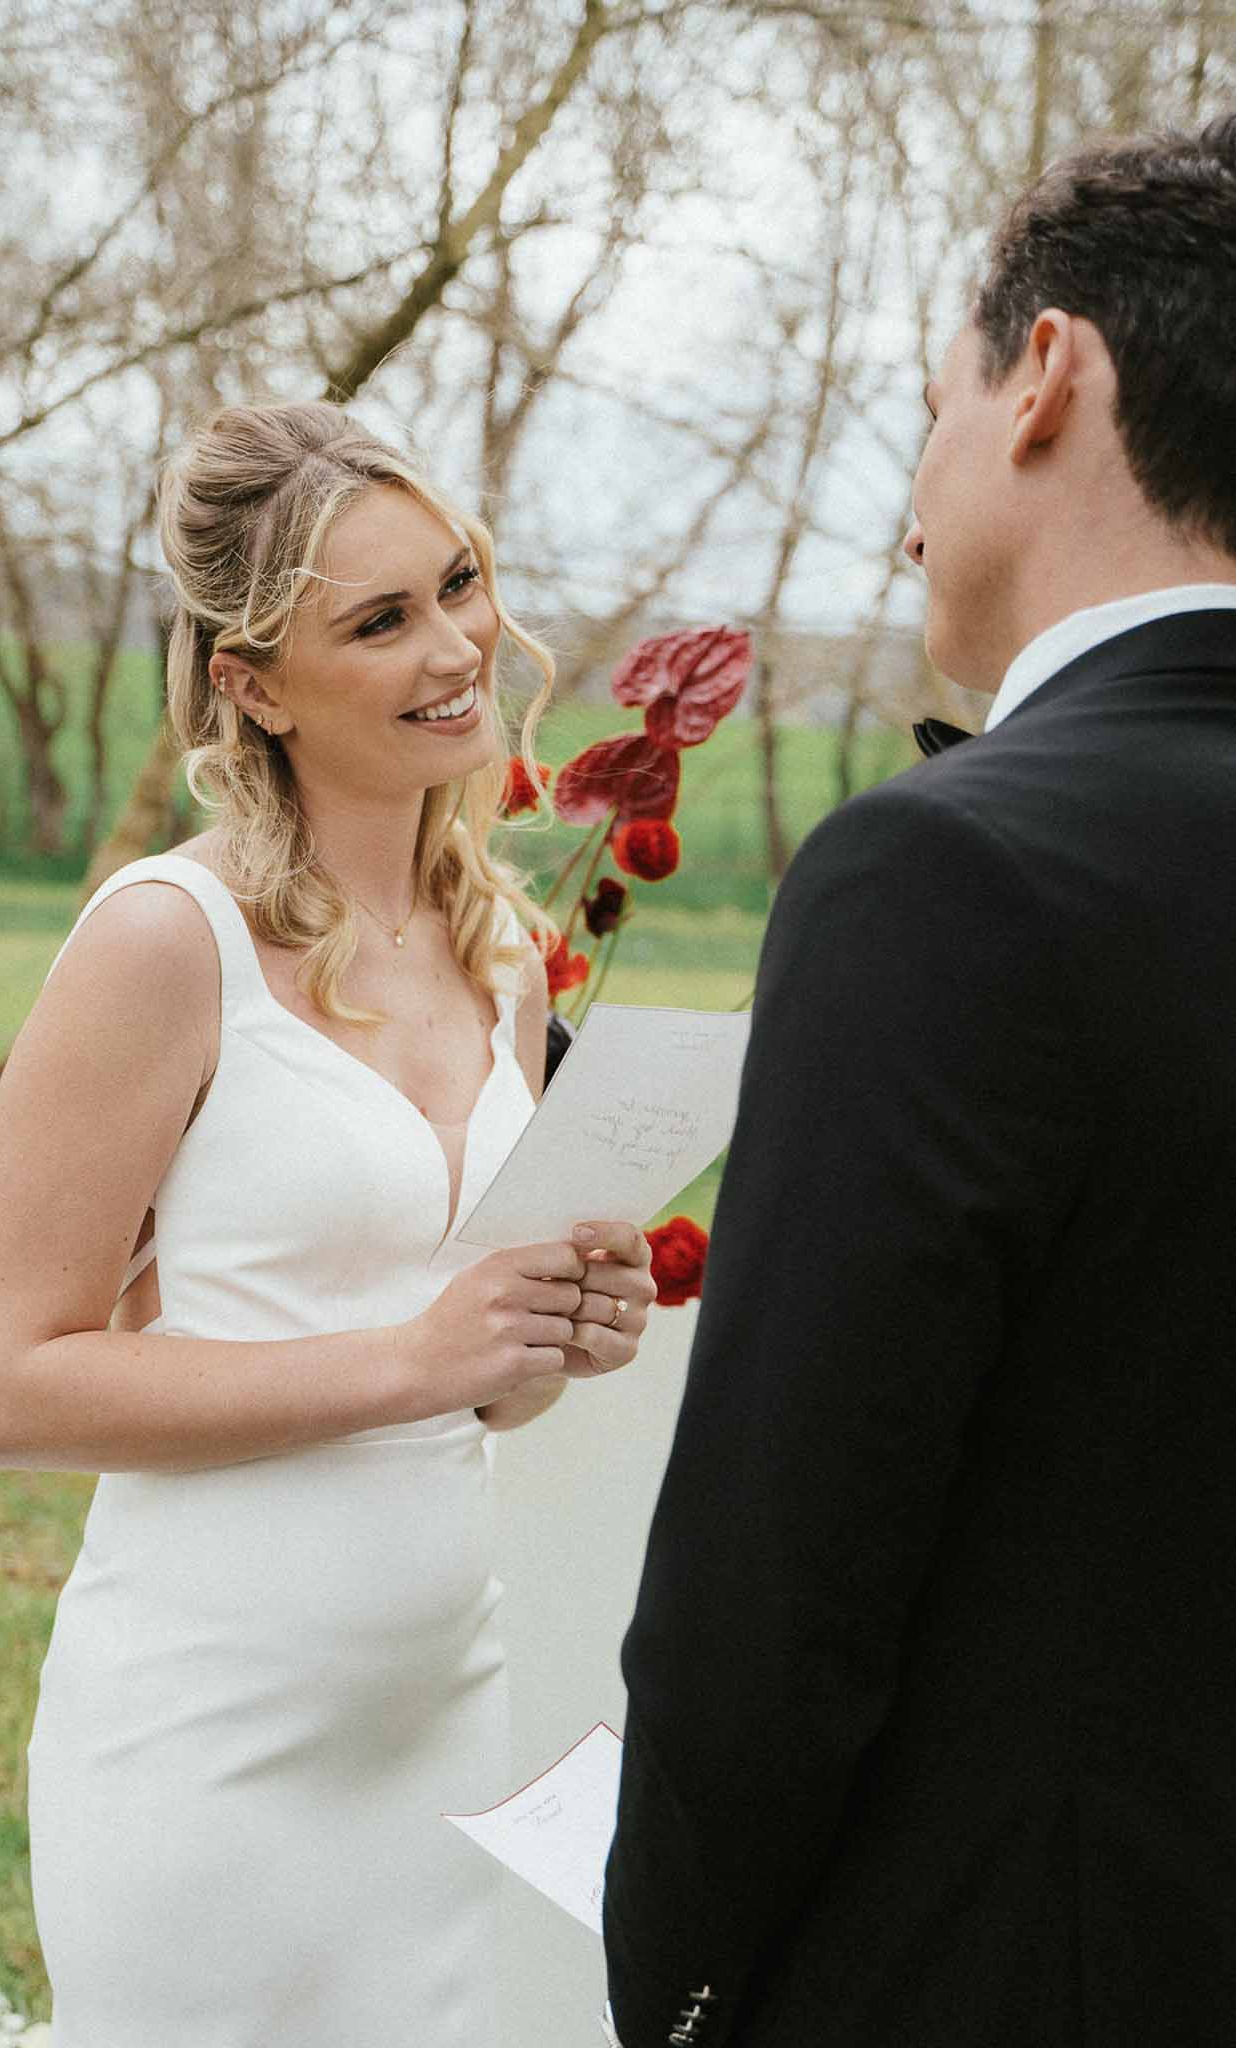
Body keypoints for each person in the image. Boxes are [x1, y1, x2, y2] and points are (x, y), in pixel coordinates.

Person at [601, 112, 1236, 2048]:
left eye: (925, 412)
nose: (904, 511)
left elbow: (781, 1563)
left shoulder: (951, 870)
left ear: (1044, 374)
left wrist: (680, 1978)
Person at [0, 399, 656, 2048]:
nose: (455, 648)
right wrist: (417, 1358)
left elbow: (473, 1385)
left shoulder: (497, 950)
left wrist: (546, 1338)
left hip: (451, 1724)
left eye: (457, 584)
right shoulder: (162, 942)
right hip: (208, 1750)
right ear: (253, 685)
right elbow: (1, 1385)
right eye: (379, 621)